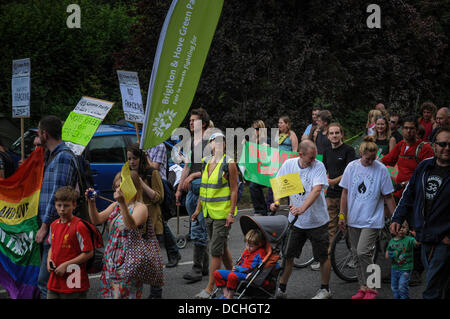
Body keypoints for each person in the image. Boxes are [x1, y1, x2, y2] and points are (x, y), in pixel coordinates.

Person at [390, 127, 450, 299]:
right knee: (442, 285)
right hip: (424, 237)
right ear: (433, 146)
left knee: (431, 289)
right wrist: (398, 217)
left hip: (444, 240)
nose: (447, 147)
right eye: (442, 144)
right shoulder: (424, 166)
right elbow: (409, 194)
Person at [270, 140, 332, 299]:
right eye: (310, 157)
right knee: (288, 255)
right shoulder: (289, 164)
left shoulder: (318, 166)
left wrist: (302, 209)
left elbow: (317, 190)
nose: (314, 160)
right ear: (300, 155)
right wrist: (276, 202)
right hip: (296, 221)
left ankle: (325, 289)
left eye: (314, 156)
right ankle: (282, 289)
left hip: (317, 221)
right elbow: (278, 185)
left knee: (323, 256)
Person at [338, 136, 396, 299]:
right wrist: (342, 214)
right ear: (360, 154)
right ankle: (363, 287)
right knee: (356, 254)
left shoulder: (381, 169)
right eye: (367, 159)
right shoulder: (351, 167)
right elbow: (345, 192)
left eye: (373, 158)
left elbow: (388, 196)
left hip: (372, 218)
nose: (370, 161)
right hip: (353, 218)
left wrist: (396, 218)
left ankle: (373, 287)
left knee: (364, 251)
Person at [87, 170, 151, 299]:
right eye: (116, 187)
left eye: (120, 187)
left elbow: (131, 225)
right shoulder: (115, 205)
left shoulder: (141, 207)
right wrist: (91, 203)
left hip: (129, 261)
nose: (117, 190)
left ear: (132, 187)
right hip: (111, 260)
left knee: (124, 295)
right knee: (109, 295)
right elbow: (96, 220)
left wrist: (122, 203)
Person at [36, 115, 78, 299]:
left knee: (46, 282)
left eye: (39, 132)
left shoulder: (62, 158)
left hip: (55, 228)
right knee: (52, 280)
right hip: (52, 227)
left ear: (45, 134)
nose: (37, 137)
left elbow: (58, 195)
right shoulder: (53, 156)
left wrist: (45, 226)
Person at [192, 132, 238, 298]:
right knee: (221, 246)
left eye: (221, 142)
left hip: (222, 213)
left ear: (225, 144)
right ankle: (234, 276)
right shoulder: (205, 162)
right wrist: (197, 210)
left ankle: (210, 288)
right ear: (210, 144)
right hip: (208, 212)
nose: (217, 144)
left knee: (215, 251)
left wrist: (231, 213)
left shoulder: (229, 163)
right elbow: (203, 189)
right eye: (214, 141)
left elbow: (234, 189)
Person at [176, 108, 211, 283]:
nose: (190, 123)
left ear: (203, 123)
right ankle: (205, 267)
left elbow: (212, 169)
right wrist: (179, 189)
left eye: (194, 121)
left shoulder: (209, 141)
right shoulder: (191, 142)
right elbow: (188, 165)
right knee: (197, 226)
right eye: (189, 121)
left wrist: (193, 176)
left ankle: (197, 269)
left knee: (197, 228)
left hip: (203, 190)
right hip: (191, 191)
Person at [127, 143, 165, 298]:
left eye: (134, 158)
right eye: (129, 159)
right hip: (136, 225)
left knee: (153, 263)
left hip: (152, 226)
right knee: (137, 263)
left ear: (141, 158)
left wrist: (141, 183)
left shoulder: (151, 173)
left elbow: (159, 197)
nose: (131, 162)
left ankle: (156, 294)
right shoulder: (127, 174)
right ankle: (137, 292)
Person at [46, 186, 94, 299]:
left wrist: (66, 265)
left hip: (73, 282)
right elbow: (52, 247)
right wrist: (49, 260)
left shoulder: (79, 226)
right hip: (55, 280)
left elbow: (89, 252)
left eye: (66, 205)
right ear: (55, 205)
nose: (62, 209)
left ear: (74, 205)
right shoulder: (53, 225)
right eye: (59, 205)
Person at [381, 115, 435, 201]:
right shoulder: (401, 144)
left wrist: (404, 184)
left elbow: (428, 175)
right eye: (406, 128)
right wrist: (368, 162)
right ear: (402, 130)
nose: (408, 131)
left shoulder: (425, 148)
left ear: (416, 130)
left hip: (415, 193)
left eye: (411, 128)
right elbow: (387, 159)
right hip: (400, 191)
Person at [146, 143, 181, 268]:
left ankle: (173, 252)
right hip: (146, 185)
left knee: (160, 220)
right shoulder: (144, 144)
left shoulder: (159, 146)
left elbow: (154, 167)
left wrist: (144, 156)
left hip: (158, 185)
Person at [323, 123, 356, 253]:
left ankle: (355, 255)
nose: (334, 135)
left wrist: (333, 181)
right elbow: (324, 170)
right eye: (331, 133)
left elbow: (350, 172)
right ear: (328, 136)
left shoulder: (349, 150)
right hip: (330, 195)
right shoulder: (326, 151)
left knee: (349, 227)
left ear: (342, 134)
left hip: (346, 194)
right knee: (330, 226)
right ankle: (328, 258)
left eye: (337, 133)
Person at [214, 229, 266, 299]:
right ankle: (225, 294)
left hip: (247, 273)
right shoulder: (246, 251)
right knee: (217, 273)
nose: (248, 248)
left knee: (232, 276)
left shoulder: (261, 252)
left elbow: (262, 266)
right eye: (247, 245)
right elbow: (241, 262)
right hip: (238, 272)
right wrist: (236, 267)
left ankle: (230, 296)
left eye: (251, 246)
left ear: (259, 244)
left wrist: (253, 273)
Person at [385, 221, 418, 299]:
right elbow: (387, 255)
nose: (401, 230)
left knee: (402, 286)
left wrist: (417, 236)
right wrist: (389, 253)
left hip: (406, 268)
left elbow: (417, 243)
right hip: (394, 268)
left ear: (407, 229)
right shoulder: (391, 241)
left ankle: (405, 297)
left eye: (403, 227)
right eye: (398, 228)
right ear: (392, 229)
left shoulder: (410, 239)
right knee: (394, 287)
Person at [247, 120, 271, 216]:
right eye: (253, 129)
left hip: (267, 170)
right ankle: (261, 209)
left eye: (257, 129)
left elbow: (271, 156)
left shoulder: (267, 140)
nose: (255, 131)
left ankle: (260, 210)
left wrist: (266, 147)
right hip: (257, 171)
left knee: (253, 186)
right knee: (253, 186)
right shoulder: (252, 142)